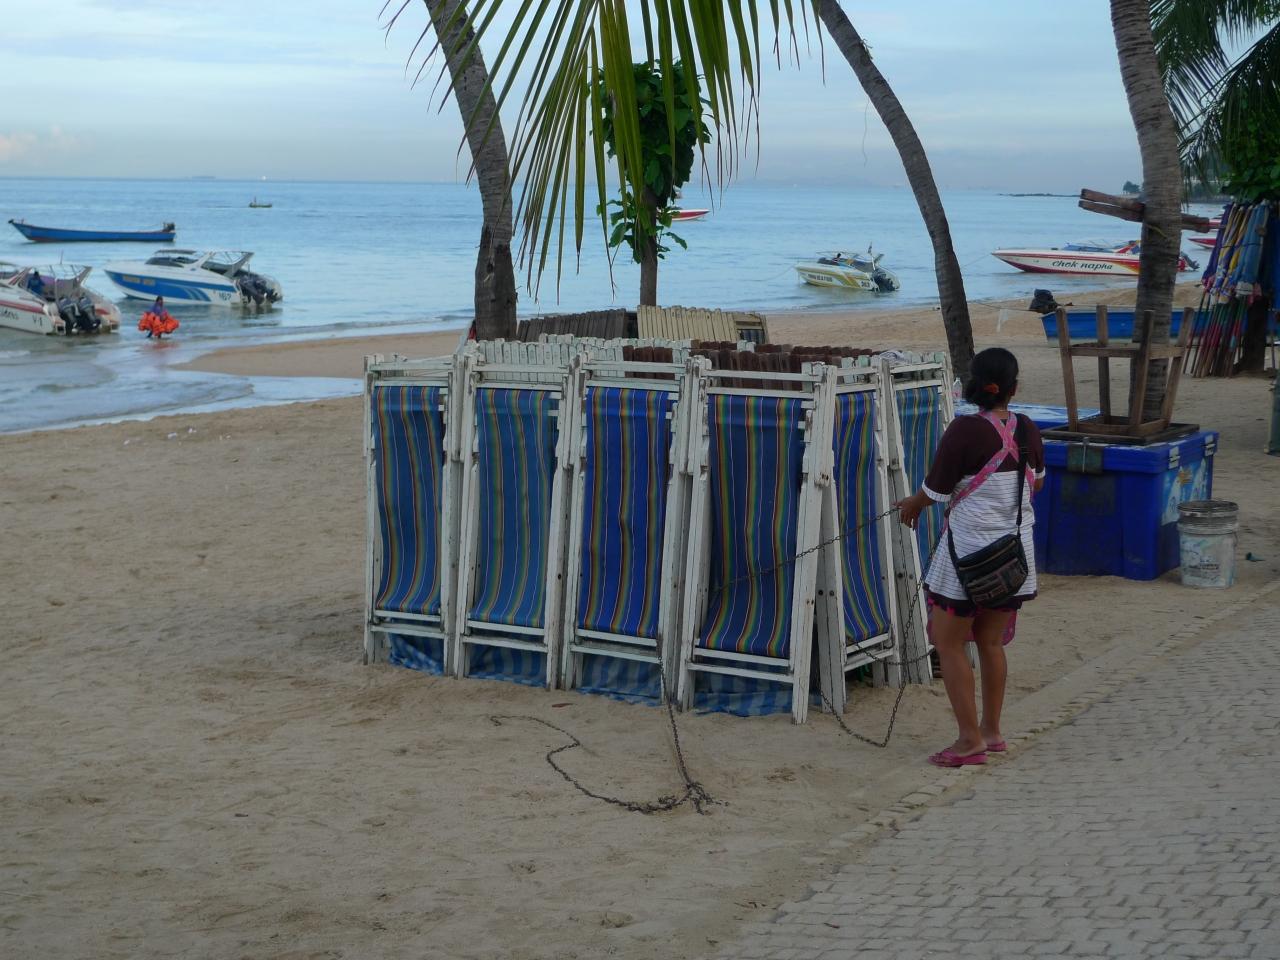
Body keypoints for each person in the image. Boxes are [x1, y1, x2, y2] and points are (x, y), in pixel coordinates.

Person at [895, 347, 1045, 768]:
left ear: (973, 386)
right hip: (1015, 554)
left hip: (968, 555)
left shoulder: (964, 429)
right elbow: (1036, 484)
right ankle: (992, 732)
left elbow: (936, 490)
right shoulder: (1028, 428)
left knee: (948, 643)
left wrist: (912, 504)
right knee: (991, 642)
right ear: (1014, 388)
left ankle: (968, 741)